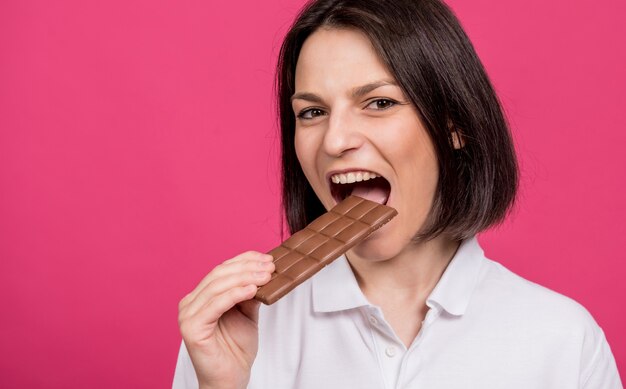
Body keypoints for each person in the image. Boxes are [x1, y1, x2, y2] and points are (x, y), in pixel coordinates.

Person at [173, 0, 622, 388]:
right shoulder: (236, 332)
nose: (334, 141)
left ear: (454, 125)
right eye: (312, 112)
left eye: (379, 103)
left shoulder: (561, 341)